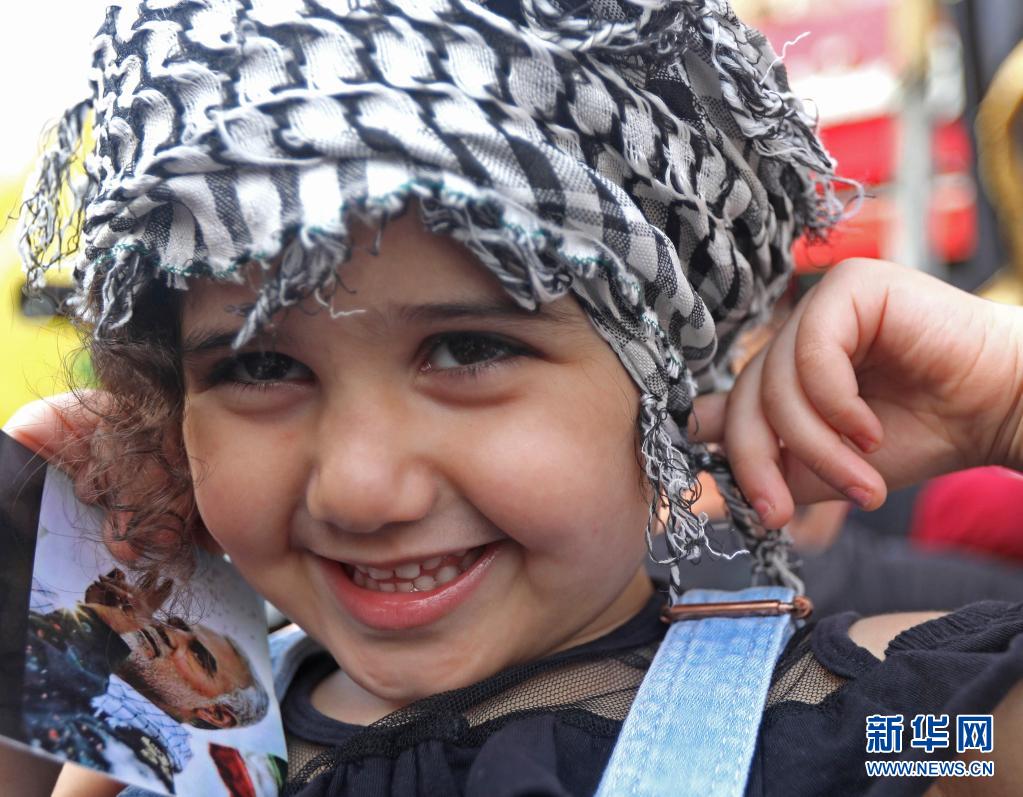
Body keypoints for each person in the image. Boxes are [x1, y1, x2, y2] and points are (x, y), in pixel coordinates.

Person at [2, 2, 1020, 796]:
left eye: (469, 349)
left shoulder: (862, 725)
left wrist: (1006, 398)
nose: (362, 489)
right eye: (261, 368)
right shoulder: (192, 740)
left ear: (662, 377)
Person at [23, 567, 269, 792]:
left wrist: (100, 625)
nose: (170, 633)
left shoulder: (141, 763)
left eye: (197, 655)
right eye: (176, 624)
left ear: (214, 713)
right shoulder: (94, 665)